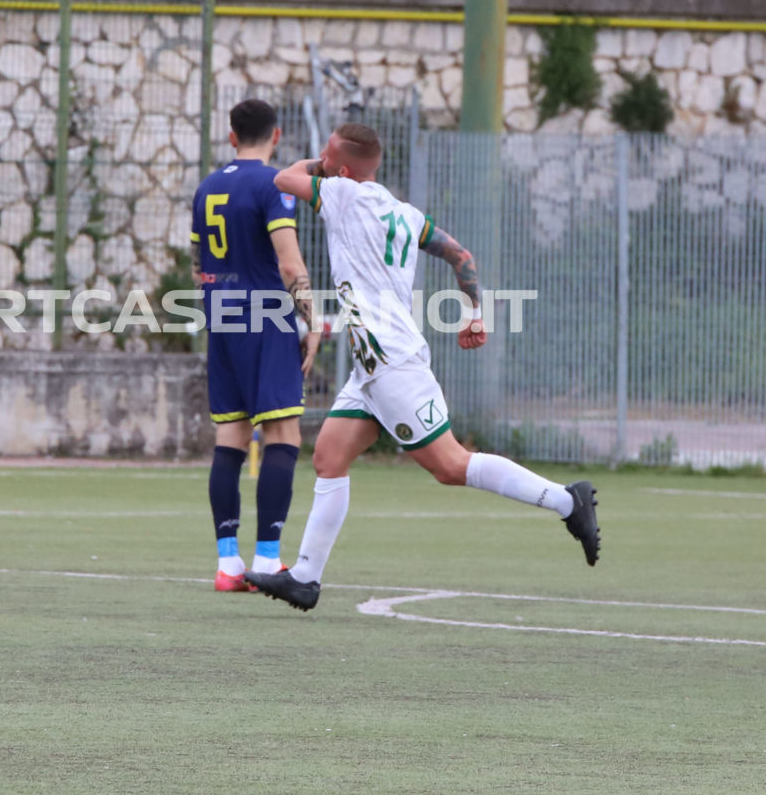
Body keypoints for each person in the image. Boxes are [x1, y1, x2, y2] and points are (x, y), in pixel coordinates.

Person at [247, 121, 598, 612]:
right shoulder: (406, 213)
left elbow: (284, 178)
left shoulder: (344, 193)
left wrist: (320, 166)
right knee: (329, 457)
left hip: (392, 362)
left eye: (328, 154)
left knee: (451, 466)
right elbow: (460, 255)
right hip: (370, 368)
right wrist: (475, 311)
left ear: (343, 170)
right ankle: (305, 578)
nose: (321, 160)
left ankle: (567, 500)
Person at [189, 100, 322, 592]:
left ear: (231, 136)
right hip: (265, 317)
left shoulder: (206, 187)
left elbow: (198, 263)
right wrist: (312, 321)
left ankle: (228, 565)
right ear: (276, 135)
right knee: (283, 433)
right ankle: (267, 560)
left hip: (221, 316)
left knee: (231, 438)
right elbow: (289, 263)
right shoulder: (273, 185)